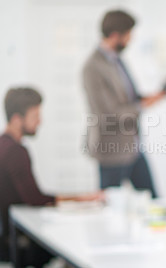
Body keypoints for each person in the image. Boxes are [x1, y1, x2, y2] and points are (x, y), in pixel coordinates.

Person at [0, 87, 102, 266]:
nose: (40, 122)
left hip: (10, 234)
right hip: (18, 241)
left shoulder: (3, 145)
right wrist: (82, 198)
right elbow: (36, 199)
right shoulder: (15, 152)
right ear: (17, 119)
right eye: (35, 116)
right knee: (75, 241)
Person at [82, 10, 164, 198]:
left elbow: (130, 98)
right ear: (114, 35)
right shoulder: (92, 67)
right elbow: (107, 115)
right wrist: (143, 106)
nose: (130, 40)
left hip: (133, 147)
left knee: (152, 200)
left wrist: (158, 95)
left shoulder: (118, 61)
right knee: (111, 206)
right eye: (128, 35)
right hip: (112, 150)